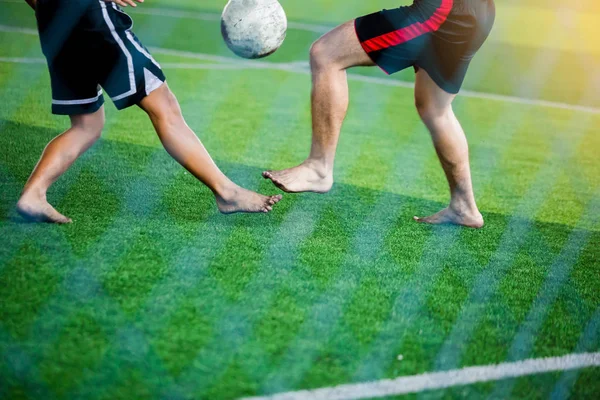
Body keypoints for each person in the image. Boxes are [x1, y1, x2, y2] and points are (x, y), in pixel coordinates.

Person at [17, 0, 282, 224]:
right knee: (163, 106)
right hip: (91, 17)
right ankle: (227, 192)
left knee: (87, 126)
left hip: (52, 21)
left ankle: (34, 194)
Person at [263, 0, 495, 228]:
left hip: (439, 12)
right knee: (436, 108)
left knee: (326, 53)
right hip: (476, 14)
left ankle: (318, 168)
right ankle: (464, 207)